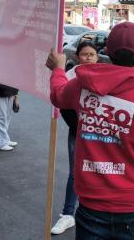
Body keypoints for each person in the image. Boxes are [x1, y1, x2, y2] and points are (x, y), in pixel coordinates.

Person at [45, 21, 134, 240]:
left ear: (107, 52)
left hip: (91, 211)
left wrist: (58, 70)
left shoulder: (83, 85)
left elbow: (58, 94)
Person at [51, 41, 99, 235]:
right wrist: (76, 125)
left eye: (91, 54)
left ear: (97, 56)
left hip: (100, 132)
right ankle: (67, 214)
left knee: (99, 171)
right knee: (75, 172)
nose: (88, 57)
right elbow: (62, 103)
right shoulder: (70, 75)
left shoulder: (104, 75)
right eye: (84, 54)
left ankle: (97, 213)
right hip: (77, 131)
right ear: (78, 57)